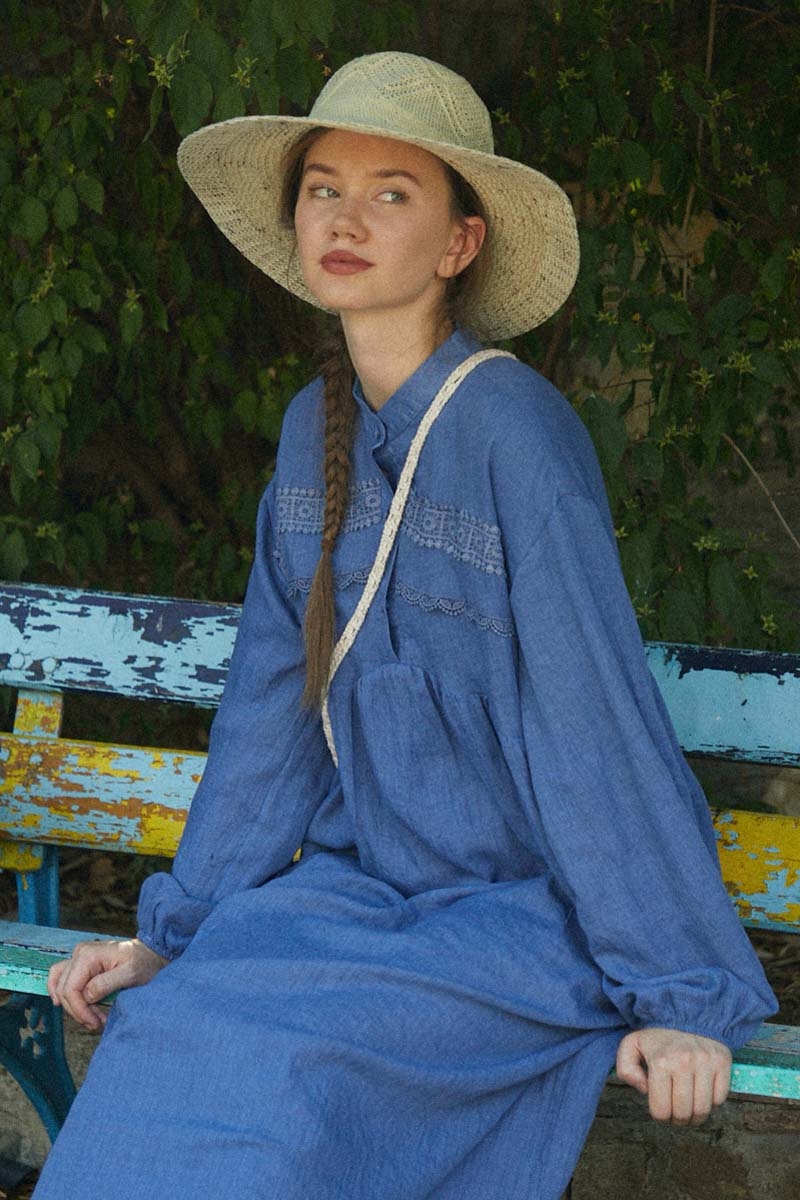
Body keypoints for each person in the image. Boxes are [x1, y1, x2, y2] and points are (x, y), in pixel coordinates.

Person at [34, 51, 776, 1200]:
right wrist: (174, 929)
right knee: (172, 1024)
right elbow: (273, 715)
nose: (345, 218)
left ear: (457, 243)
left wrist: (680, 995)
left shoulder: (515, 435)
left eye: (391, 193)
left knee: (290, 1066)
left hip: (518, 914)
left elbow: (590, 723)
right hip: (359, 890)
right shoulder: (310, 430)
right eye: (322, 188)